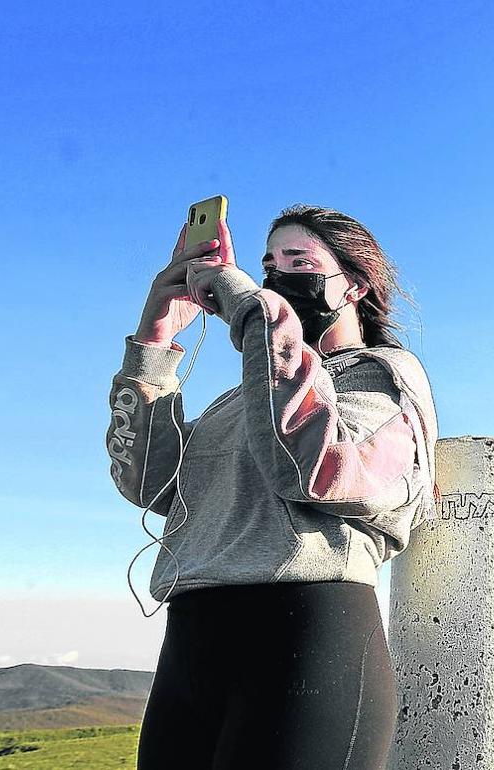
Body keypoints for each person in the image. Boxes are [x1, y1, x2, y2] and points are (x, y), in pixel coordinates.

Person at [107, 205, 438, 770]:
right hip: (191, 639)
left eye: (297, 260)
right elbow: (148, 483)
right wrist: (155, 333)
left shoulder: (382, 376)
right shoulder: (243, 401)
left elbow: (317, 470)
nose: (275, 273)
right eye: (266, 264)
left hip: (307, 638)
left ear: (354, 286)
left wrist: (254, 309)